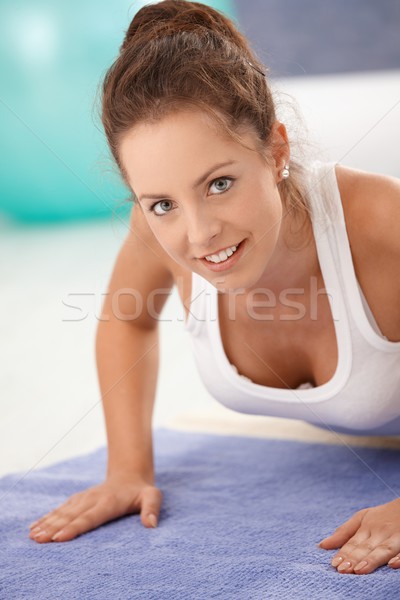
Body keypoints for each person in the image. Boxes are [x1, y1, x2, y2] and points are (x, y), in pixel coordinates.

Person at [28, 0, 400, 576]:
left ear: (276, 151)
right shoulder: (158, 234)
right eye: (162, 204)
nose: (199, 233)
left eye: (220, 183)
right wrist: (127, 468)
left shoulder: (379, 220)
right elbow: (127, 319)